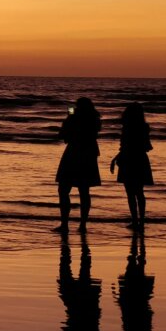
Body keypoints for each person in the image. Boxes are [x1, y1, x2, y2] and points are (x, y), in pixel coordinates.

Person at [55, 97, 101, 231]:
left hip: (73, 153)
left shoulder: (74, 118)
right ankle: (83, 225)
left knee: (63, 189)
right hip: (89, 154)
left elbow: (63, 135)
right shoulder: (94, 119)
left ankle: (65, 224)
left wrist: (68, 117)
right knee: (84, 191)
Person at [111, 103, 153, 226]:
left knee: (130, 193)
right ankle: (141, 221)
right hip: (140, 159)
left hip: (128, 160)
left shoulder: (127, 127)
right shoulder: (144, 127)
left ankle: (135, 221)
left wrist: (116, 158)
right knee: (139, 192)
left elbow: (125, 147)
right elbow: (147, 146)